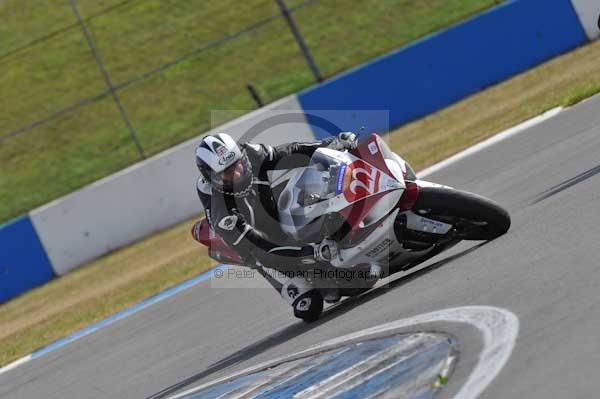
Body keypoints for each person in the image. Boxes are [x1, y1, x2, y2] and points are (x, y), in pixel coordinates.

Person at [192, 132, 357, 320]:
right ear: (212, 178)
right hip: (260, 251)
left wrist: (330, 145)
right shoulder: (221, 212)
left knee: (314, 184)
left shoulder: (251, 153)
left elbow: (290, 152)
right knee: (309, 307)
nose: (237, 174)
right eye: (227, 174)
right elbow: (261, 248)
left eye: (237, 165)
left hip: (269, 205)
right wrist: (312, 252)